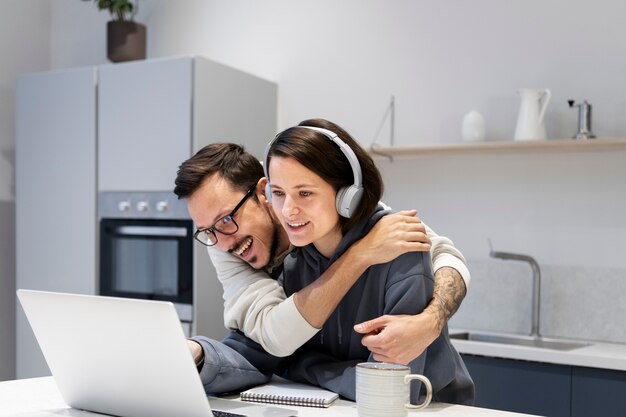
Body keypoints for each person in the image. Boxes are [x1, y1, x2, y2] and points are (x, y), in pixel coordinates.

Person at [174, 147, 470, 367]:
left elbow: (444, 255)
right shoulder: (221, 240)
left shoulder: (336, 212)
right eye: (207, 230)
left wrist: (431, 321)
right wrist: (359, 256)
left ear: (263, 193)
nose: (223, 242)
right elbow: (271, 337)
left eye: (227, 218)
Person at [262, 119, 473, 403]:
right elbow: (278, 358)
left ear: (347, 195)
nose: (288, 210)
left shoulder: (402, 248)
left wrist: (305, 366)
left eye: (305, 193)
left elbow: (389, 387)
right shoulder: (292, 266)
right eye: (278, 193)